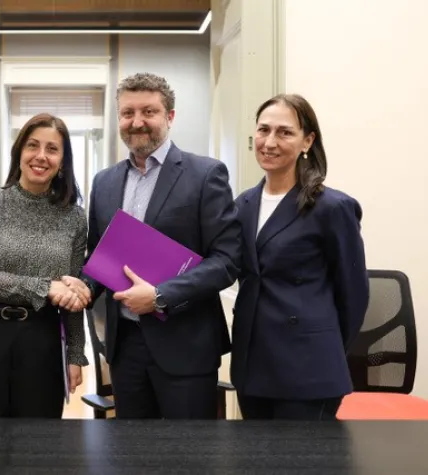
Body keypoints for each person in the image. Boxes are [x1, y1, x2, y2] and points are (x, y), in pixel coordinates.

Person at [78, 73, 241, 419]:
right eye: (128, 113)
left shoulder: (206, 175)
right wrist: (82, 287)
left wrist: (160, 296)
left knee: (187, 448)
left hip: (186, 345)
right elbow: (98, 256)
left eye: (149, 111)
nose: (137, 122)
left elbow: (226, 261)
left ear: (170, 116)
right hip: (125, 347)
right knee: (133, 448)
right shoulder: (104, 182)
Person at [230, 93, 369, 420]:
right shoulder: (242, 205)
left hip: (308, 368)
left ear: (307, 141)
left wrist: (324, 348)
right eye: (263, 130)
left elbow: (354, 295)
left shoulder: (332, 207)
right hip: (252, 365)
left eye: (285, 132)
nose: (270, 142)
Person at [0, 113, 90, 418]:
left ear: (63, 162)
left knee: (36, 440)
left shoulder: (75, 218)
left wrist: (75, 354)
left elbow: (73, 292)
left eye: (52, 149)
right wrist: (45, 288)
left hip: (43, 340)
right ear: (19, 153)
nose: (41, 156)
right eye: (32, 146)